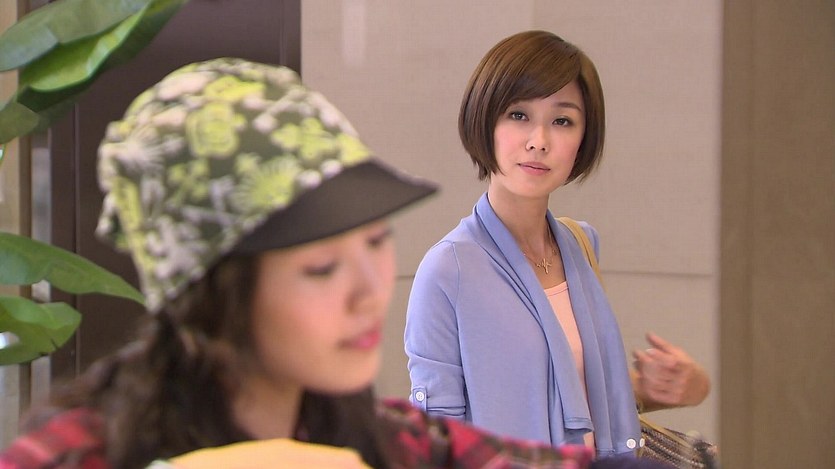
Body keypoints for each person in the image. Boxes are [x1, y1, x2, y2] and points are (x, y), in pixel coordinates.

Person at [0, 57, 670, 469]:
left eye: (375, 242)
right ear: (213, 292)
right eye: (322, 267)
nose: (370, 291)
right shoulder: (75, 455)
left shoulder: (386, 442)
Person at [404, 30, 710, 458]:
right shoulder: (448, 271)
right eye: (518, 115)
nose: (539, 140)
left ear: (583, 139)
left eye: (562, 121)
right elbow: (437, 444)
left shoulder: (578, 245)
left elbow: (573, 393)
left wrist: (678, 387)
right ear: (485, 121)